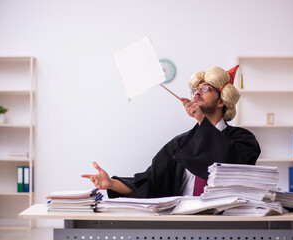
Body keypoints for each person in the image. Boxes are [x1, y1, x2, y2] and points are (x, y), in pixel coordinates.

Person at [82, 65, 261, 198]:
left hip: (228, 222)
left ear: (221, 101)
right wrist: (111, 183)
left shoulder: (243, 139)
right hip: (183, 222)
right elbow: (150, 182)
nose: (197, 93)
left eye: (205, 89)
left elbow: (226, 160)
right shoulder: (179, 144)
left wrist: (201, 120)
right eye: (194, 90)